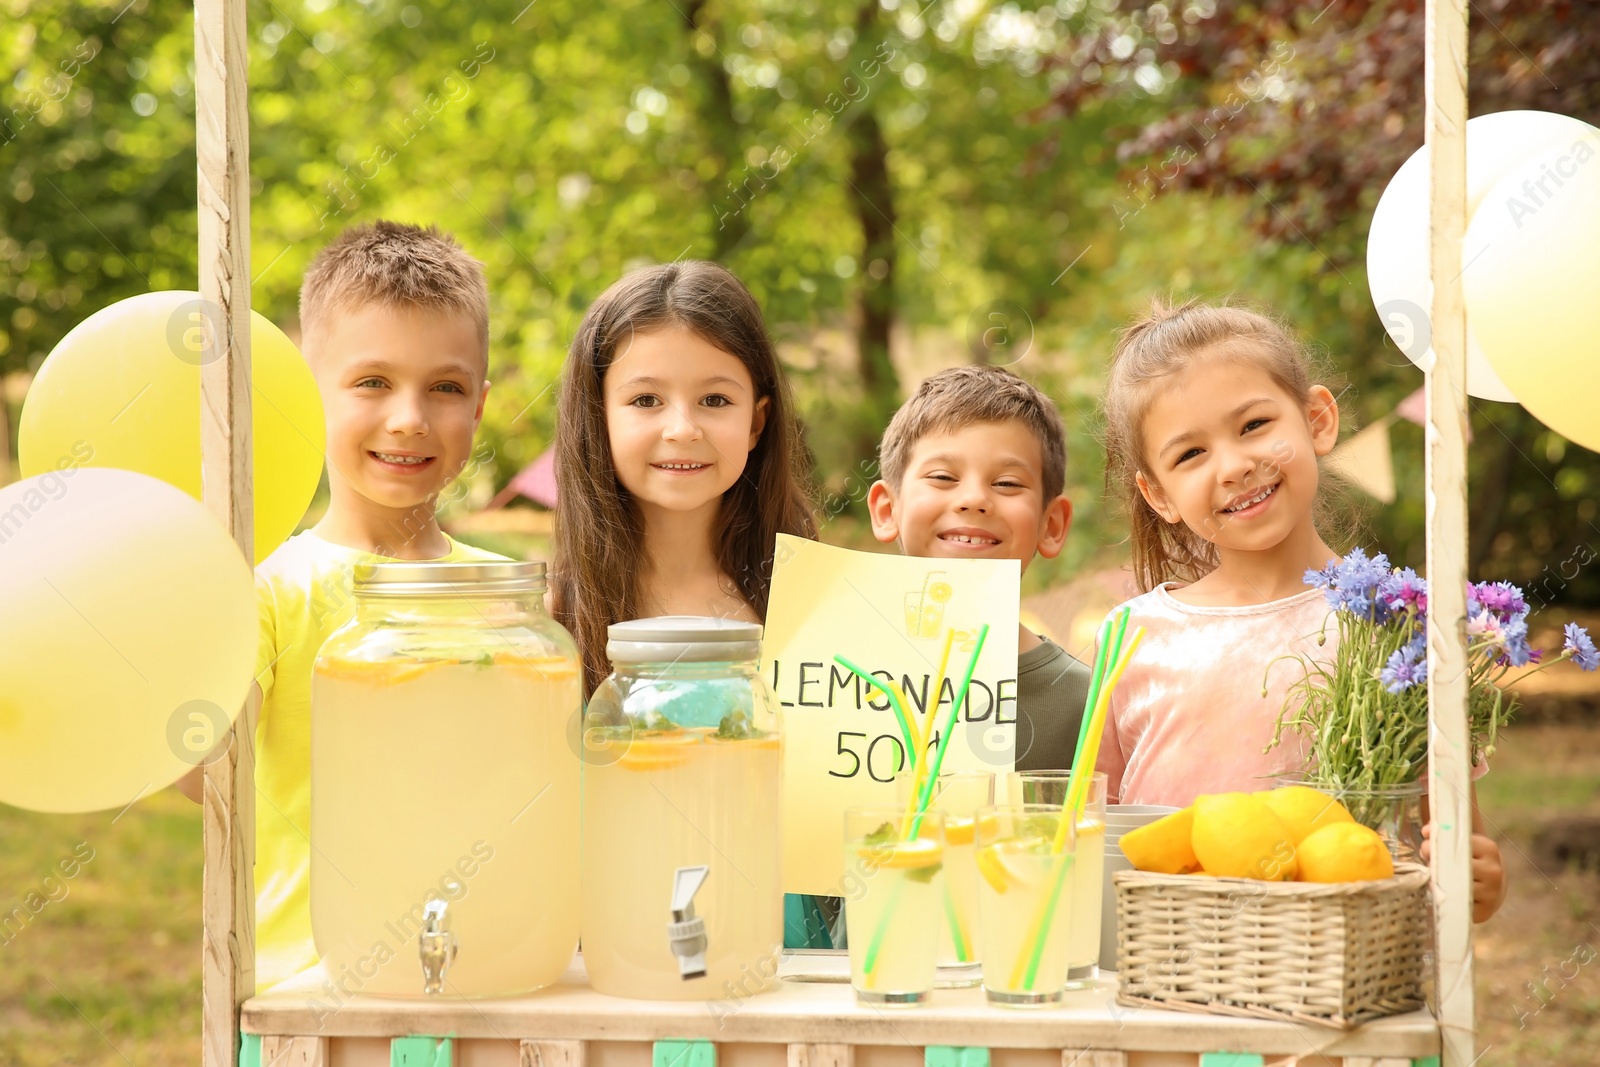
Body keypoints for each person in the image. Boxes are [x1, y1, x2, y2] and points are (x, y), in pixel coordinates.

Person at [1094, 296, 1504, 920]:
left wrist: (1474, 878)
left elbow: (1447, 839)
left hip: (1339, 971)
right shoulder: (1132, 636)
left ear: (1316, 420)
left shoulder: (1397, 627)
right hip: (1170, 968)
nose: (1234, 465)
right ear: (1158, 494)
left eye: (1254, 425)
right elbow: (1094, 832)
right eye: (1190, 454)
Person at [176, 220, 509, 986]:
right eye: (372, 382)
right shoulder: (264, 591)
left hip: (478, 983)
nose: (409, 418)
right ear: (304, 390)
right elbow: (204, 777)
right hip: (310, 992)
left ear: (481, 404)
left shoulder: (506, 598)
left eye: (446, 388)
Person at [550, 260, 815, 697]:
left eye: (714, 399)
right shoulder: (548, 623)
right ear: (598, 418)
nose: (682, 429)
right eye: (646, 399)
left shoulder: (812, 602)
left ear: (756, 423)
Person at [866, 365, 1092, 771]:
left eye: (1006, 483)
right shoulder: (823, 674)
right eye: (942, 477)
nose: (973, 499)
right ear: (888, 510)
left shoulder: (1086, 703)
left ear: (1051, 525)